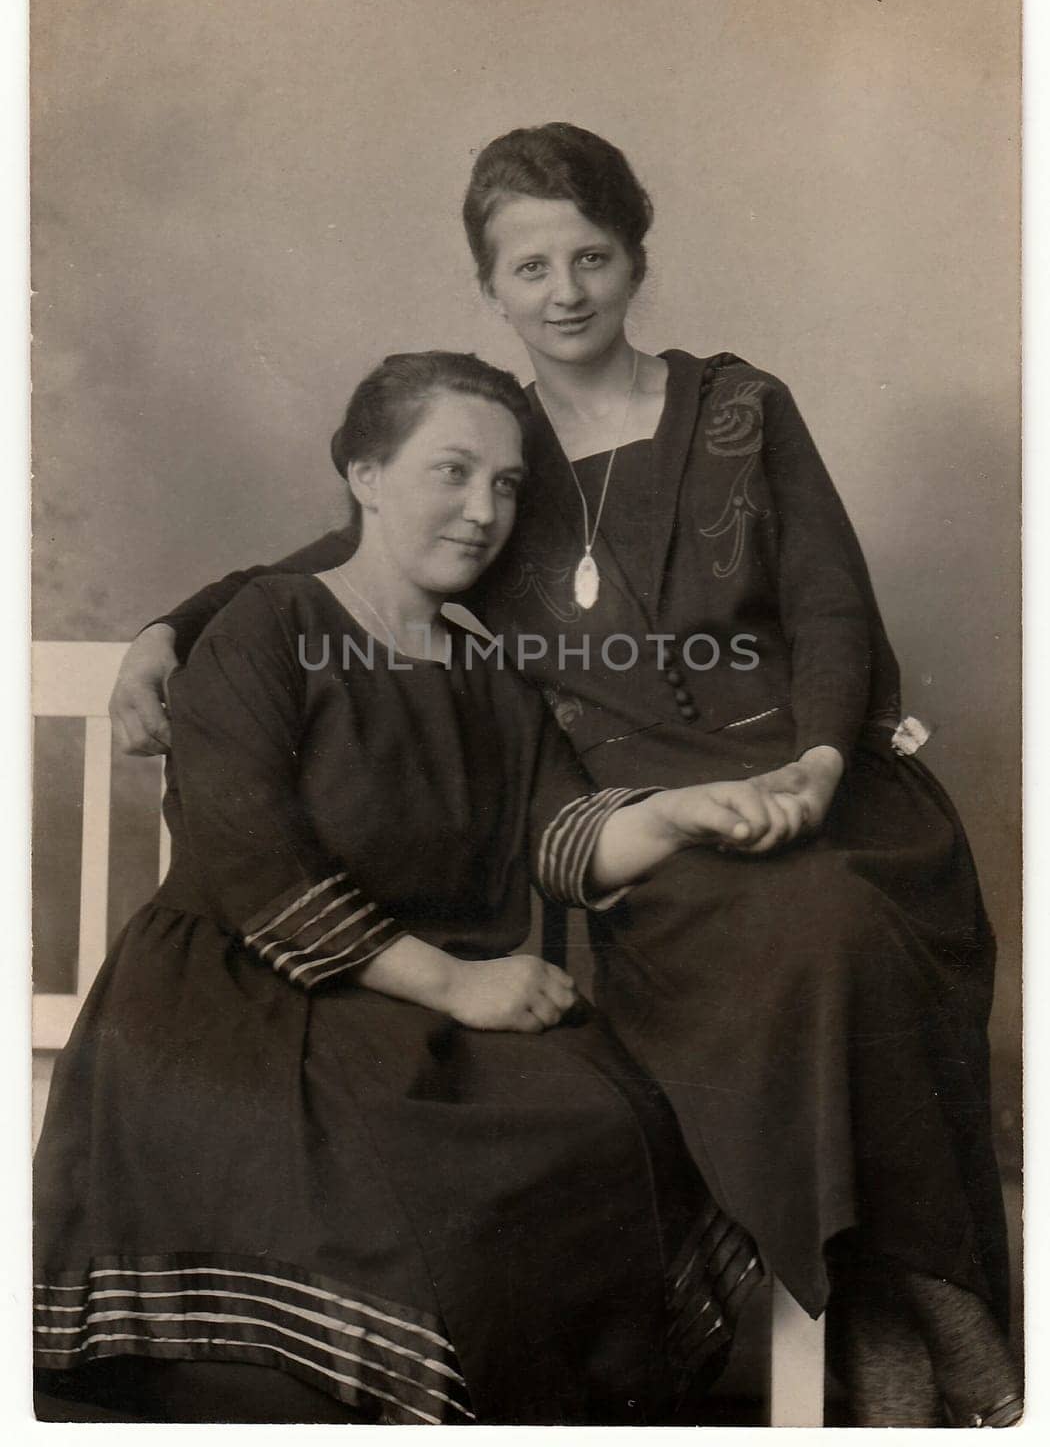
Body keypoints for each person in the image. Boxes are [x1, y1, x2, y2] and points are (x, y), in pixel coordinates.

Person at [108, 126, 1021, 1426]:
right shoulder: (499, 452)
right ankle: (926, 1318)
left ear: (633, 254)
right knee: (794, 945)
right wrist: (165, 632)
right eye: (527, 266)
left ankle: (898, 1314)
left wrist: (819, 763)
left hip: (812, 788)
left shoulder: (736, 405)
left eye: (590, 255)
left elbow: (829, 606)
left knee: (841, 921)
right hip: (651, 835)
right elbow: (337, 545)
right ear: (488, 286)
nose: (564, 292)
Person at [35, 352, 771, 1426]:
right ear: (365, 475)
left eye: (508, 485)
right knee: (451, 1208)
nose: (484, 511)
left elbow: (560, 834)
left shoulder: (487, 668)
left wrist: (675, 813)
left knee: (608, 1122)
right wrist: (455, 985)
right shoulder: (271, 626)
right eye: (453, 472)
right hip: (245, 1002)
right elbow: (251, 860)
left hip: (415, 1008)